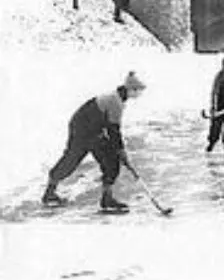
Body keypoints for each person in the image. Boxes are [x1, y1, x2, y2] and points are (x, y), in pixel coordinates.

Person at [43, 71, 147, 211]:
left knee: (107, 160)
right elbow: (114, 131)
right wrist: (121, 151)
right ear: (131, 89)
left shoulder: (116, 98)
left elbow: (109, 128)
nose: (139, 94)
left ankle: (106, 198)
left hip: (89, 128)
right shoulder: (116, 102)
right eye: (138, 91)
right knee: (75, 159)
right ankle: (51, 193)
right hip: (84, 129)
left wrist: (118, 149)